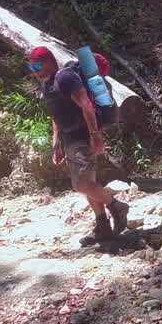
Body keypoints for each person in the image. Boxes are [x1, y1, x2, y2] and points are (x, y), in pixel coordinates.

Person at [29, 45, 129, 241]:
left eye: (38, 65)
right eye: (31, 67)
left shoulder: (65, 78)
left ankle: (117, 206)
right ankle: (102, 227)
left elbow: (86, 104)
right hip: (69, 139)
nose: (34, 70)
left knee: (81, 184)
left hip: (83, 136)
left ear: (49, 62)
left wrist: (95, 135)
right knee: (89, 183)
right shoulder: (47, 85)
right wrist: (56, 143)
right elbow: (56, 115)